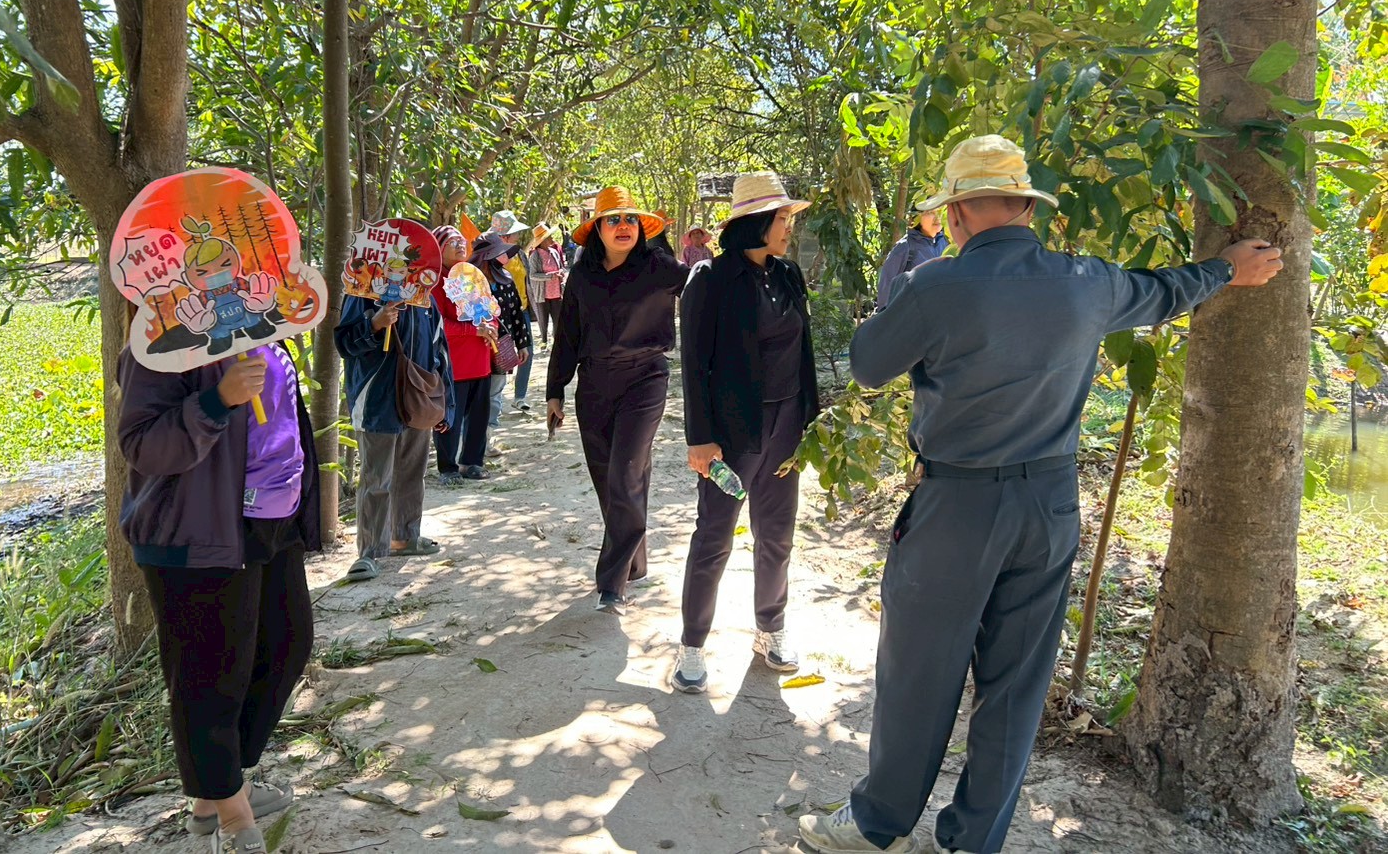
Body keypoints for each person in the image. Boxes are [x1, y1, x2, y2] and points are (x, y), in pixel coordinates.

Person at [797, 135, 1284, 854]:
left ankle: (878, 825)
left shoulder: (936, 284)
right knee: (1016, 683)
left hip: (955, 508)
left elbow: (868, 365)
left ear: (956, 213)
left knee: (918, 674)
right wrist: (1225, 269)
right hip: (1050, 505)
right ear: (1027, 206)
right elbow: (1162, 290)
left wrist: (902, 301)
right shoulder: (1085, 281)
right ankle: (971, 840)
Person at [118, 341, 320, 854]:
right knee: (210, 676)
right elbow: (143, 445)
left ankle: (222, 783)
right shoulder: (158, 344)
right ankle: (229, 810)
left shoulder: (265, 326)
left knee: (285, 647)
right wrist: (217, 400)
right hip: (198, 529)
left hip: (271, 520)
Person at [673, 173, 819, 693]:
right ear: (756, 222)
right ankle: (691, 643)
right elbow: (695, 364)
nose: (789, 227)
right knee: (713, 535)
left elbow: (802, 354)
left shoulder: (787, 275)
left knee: (776, 535)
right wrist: (700, 438)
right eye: (783, 218)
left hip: (786, 427)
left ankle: (770, 630)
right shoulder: (709, 280)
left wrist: (811, 422)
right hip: (732, 434)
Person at [546, 187, 691, 614]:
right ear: (597, 230)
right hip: (593, 386)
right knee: (610, 480)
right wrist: (556, 390)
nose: (623, 227)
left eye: (630, 219)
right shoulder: (582, 277)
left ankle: (611, 583)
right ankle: (634, 562)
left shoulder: (659, 267)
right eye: (613, 220)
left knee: (626, 472)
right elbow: (567, 336)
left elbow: (706, 292)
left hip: (645, 380)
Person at [335, 288, 454, 581]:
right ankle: (370, 552)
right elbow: (344, 343)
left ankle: (404, 537)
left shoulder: (425, 295)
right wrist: (374, 324)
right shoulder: (362, 291)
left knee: (412, 472)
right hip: (377, 400)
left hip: (418, 399)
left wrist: (445, 403)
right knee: (377, 479)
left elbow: (440, 349)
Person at [431, 226, 498, 482]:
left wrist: (490, 325)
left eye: (462, 241)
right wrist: (473, 331)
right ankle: (447, 468)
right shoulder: (435, 282)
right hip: (453, 364)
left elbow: (488, 310)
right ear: (438, 248)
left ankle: (472, 462)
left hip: (481, 360)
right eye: (452, 242)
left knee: (479, 414)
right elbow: (438, 325)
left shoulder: (472, 277)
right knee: (451, 418)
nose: (461, 245)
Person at [472, 231, 532, 437]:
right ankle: (470, 439)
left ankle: (488, 437)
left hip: (501, 347)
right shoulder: (467, 281)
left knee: (495, 393)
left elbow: (516, 312)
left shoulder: (506, 279)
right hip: (472, 349)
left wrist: (522, 344)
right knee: (475, 395)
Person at [490, 210, 535, 413]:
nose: (518, 236)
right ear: (504, 236)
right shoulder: (490, 257)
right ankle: (494, 403)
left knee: (527, 352)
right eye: (514, 233)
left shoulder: (518, 253)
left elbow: (525, 281)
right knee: (500, 359)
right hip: (499, 316)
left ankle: (520, 396)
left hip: (521, 310)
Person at [875, 209, 950, 308]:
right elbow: (886, 289)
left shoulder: (946, 244)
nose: (937, 216)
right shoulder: (904, 247)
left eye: (940, 211)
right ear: (916, 218)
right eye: (930, 212)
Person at [526, 222, 569, 345]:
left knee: (557, 320)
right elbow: (532, 275)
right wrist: (550, 276)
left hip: (556, 292)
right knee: (543, 321)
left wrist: (561, 273)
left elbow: (561, 267)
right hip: (543, 295)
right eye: (549, 237)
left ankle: (557, 342)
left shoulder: (554, 252)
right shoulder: (535, 256)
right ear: (543, 240)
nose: (552, 238)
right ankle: (544, 341)